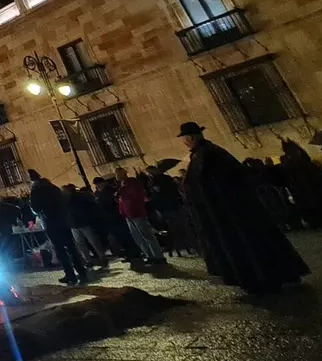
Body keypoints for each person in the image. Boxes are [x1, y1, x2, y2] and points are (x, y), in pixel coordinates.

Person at [179, 122, 310, 293]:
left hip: (228, 211)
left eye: (185, 139)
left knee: (248, 243)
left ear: (190, 138)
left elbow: (211, 183)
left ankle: (259, 278)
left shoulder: (206, 155)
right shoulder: (208, 153)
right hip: (231, 209)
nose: (185, 143)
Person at [28, 170, 90, 285]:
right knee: (71, 248)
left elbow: (35, 208)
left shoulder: (36, 191)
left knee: (60, 250)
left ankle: (70, 274)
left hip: (51, 223)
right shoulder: (53, 188)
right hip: (63, 221)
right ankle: (82, 273)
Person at [116, 167, 165, 265]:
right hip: (128, 214)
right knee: (137, 237)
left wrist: (122, 194)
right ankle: (149, 255)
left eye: (118, 173)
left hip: (137, 212)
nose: (117, 175)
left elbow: (136, 195)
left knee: (147, 235)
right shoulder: (121, 185)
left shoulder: (133, 182)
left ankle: (158, 256)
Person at [64, 183, 109, 268]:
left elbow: (89, 206)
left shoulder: (79, 197)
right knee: (85, 242)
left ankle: (99, 258)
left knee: (90, 241)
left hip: (81, 223)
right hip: (76, 224)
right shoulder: (68, 199)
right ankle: (91, 259)